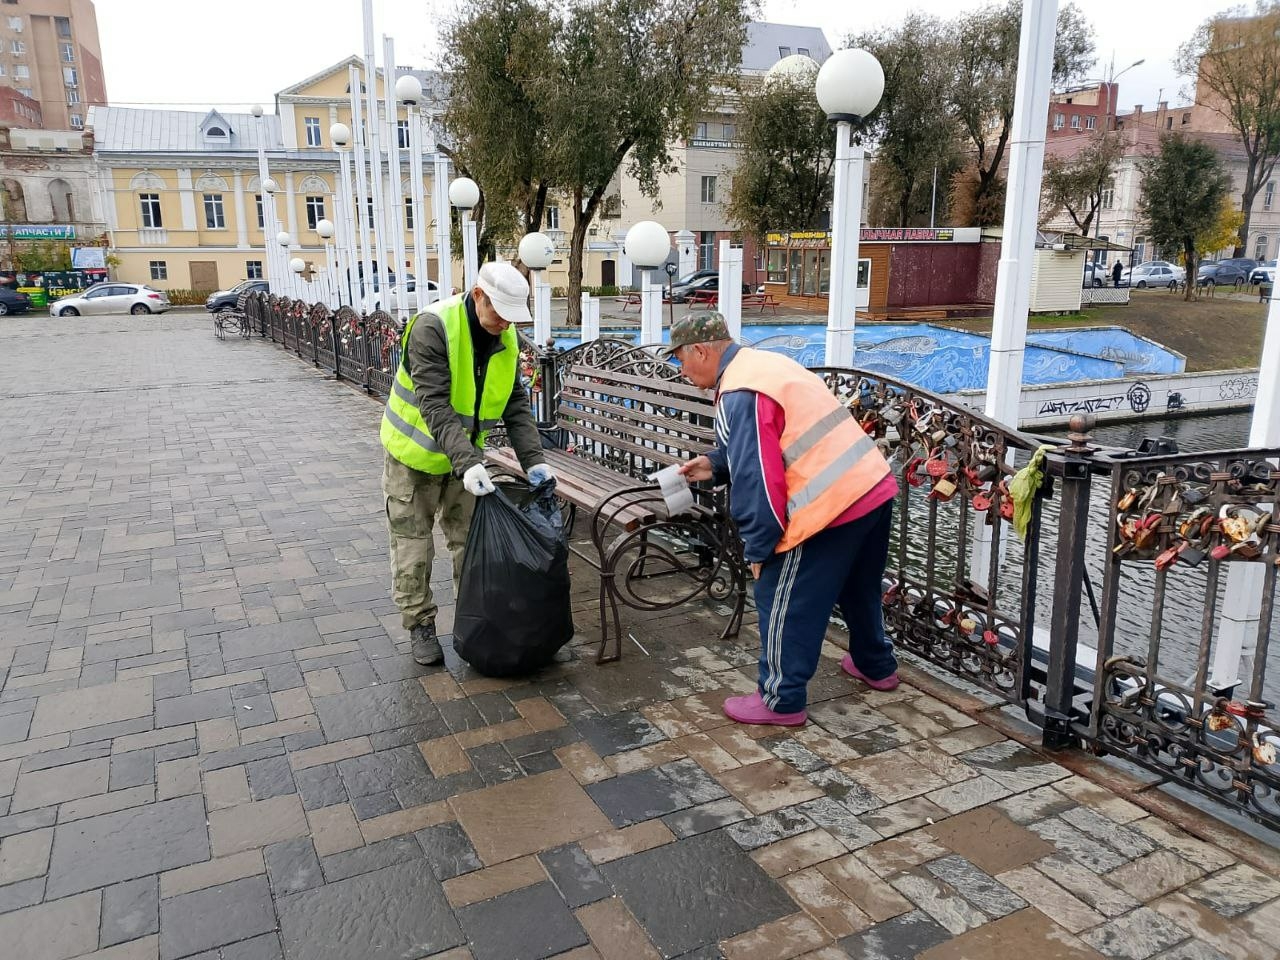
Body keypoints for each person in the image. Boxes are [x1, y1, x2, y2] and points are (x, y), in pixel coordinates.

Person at [669, 313, 900, 726]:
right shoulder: (764, 366)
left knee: (781, 599)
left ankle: (780, 699)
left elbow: (759, 482)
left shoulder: (740, 392)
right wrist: (717, 464)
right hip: (871, 487)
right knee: (858, 587)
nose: (681, 370)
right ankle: (876, 665)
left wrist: (760, 551)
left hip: (829, 505)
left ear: (701, 350)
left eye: (681, 359)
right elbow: (776, 442)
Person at [380, 261, 552, 666]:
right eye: (499, 314)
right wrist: (468, 462)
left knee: (470, 544)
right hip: (413, 457)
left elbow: (515, 404)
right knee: (413, 545)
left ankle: (474, 617)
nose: (506, 325)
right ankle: (419, 623)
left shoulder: (506, 337)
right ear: (478, 296)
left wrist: (534, 461)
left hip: (465, 461)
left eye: (513, 318)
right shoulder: (432, 328)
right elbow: (434, 403)